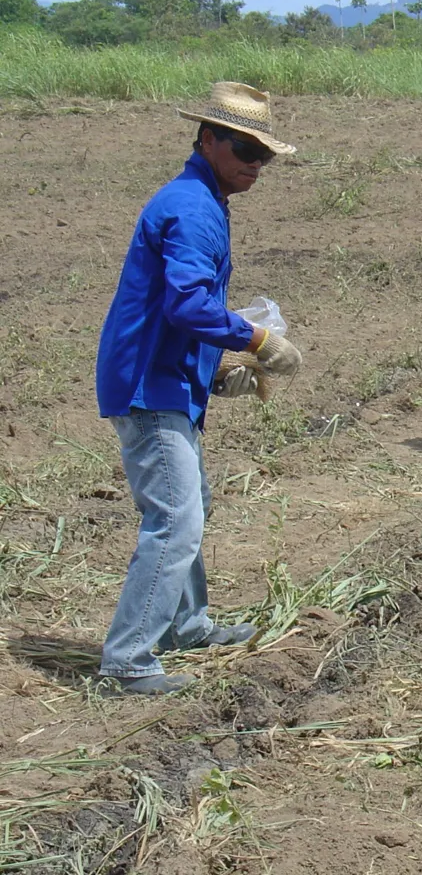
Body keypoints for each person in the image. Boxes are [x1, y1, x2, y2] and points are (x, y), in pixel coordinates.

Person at [95, 82, 303, 695]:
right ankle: (129, 659)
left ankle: (185, 625)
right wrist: (257, 340)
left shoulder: (202, 198)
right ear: (208, 139)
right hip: (147, 384)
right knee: (176, 517)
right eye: (244, 149)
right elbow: (188, 305)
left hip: (163, 375)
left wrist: (213, 365)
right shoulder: (191, 208)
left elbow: (178, 307)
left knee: (192, 505)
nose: (254, 165)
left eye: (262, 154)